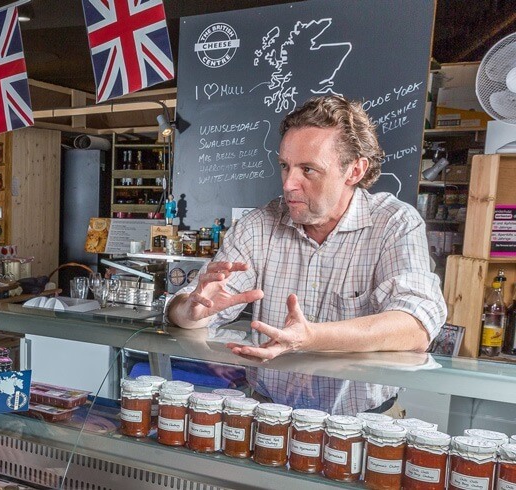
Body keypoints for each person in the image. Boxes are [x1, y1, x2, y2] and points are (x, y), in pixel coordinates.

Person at [167, 95, 447, 416]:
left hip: (362, 425)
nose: (288, 184)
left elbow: (415, 327)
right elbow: (188, 311)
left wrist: (311, 337)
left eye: (308, 170)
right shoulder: (258, 226)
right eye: (285, 166)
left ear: (354, 170)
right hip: (269, 416)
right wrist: (189, 309)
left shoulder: (394, 223)